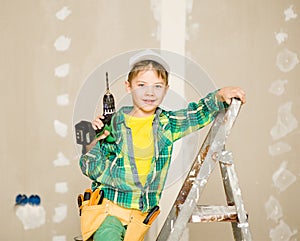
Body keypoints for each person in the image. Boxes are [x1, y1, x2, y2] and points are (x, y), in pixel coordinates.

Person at [79, 49, 246, 241]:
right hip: (110, 210)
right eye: (141, 85)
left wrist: (218, 96)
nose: (149, 92)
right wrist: (92, 143)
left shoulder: (167, 125)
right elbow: (90, 168)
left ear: (166, 89)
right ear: (128, 86)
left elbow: (195, 115)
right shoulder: (113, 125)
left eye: (157, 86)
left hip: (140, 218)